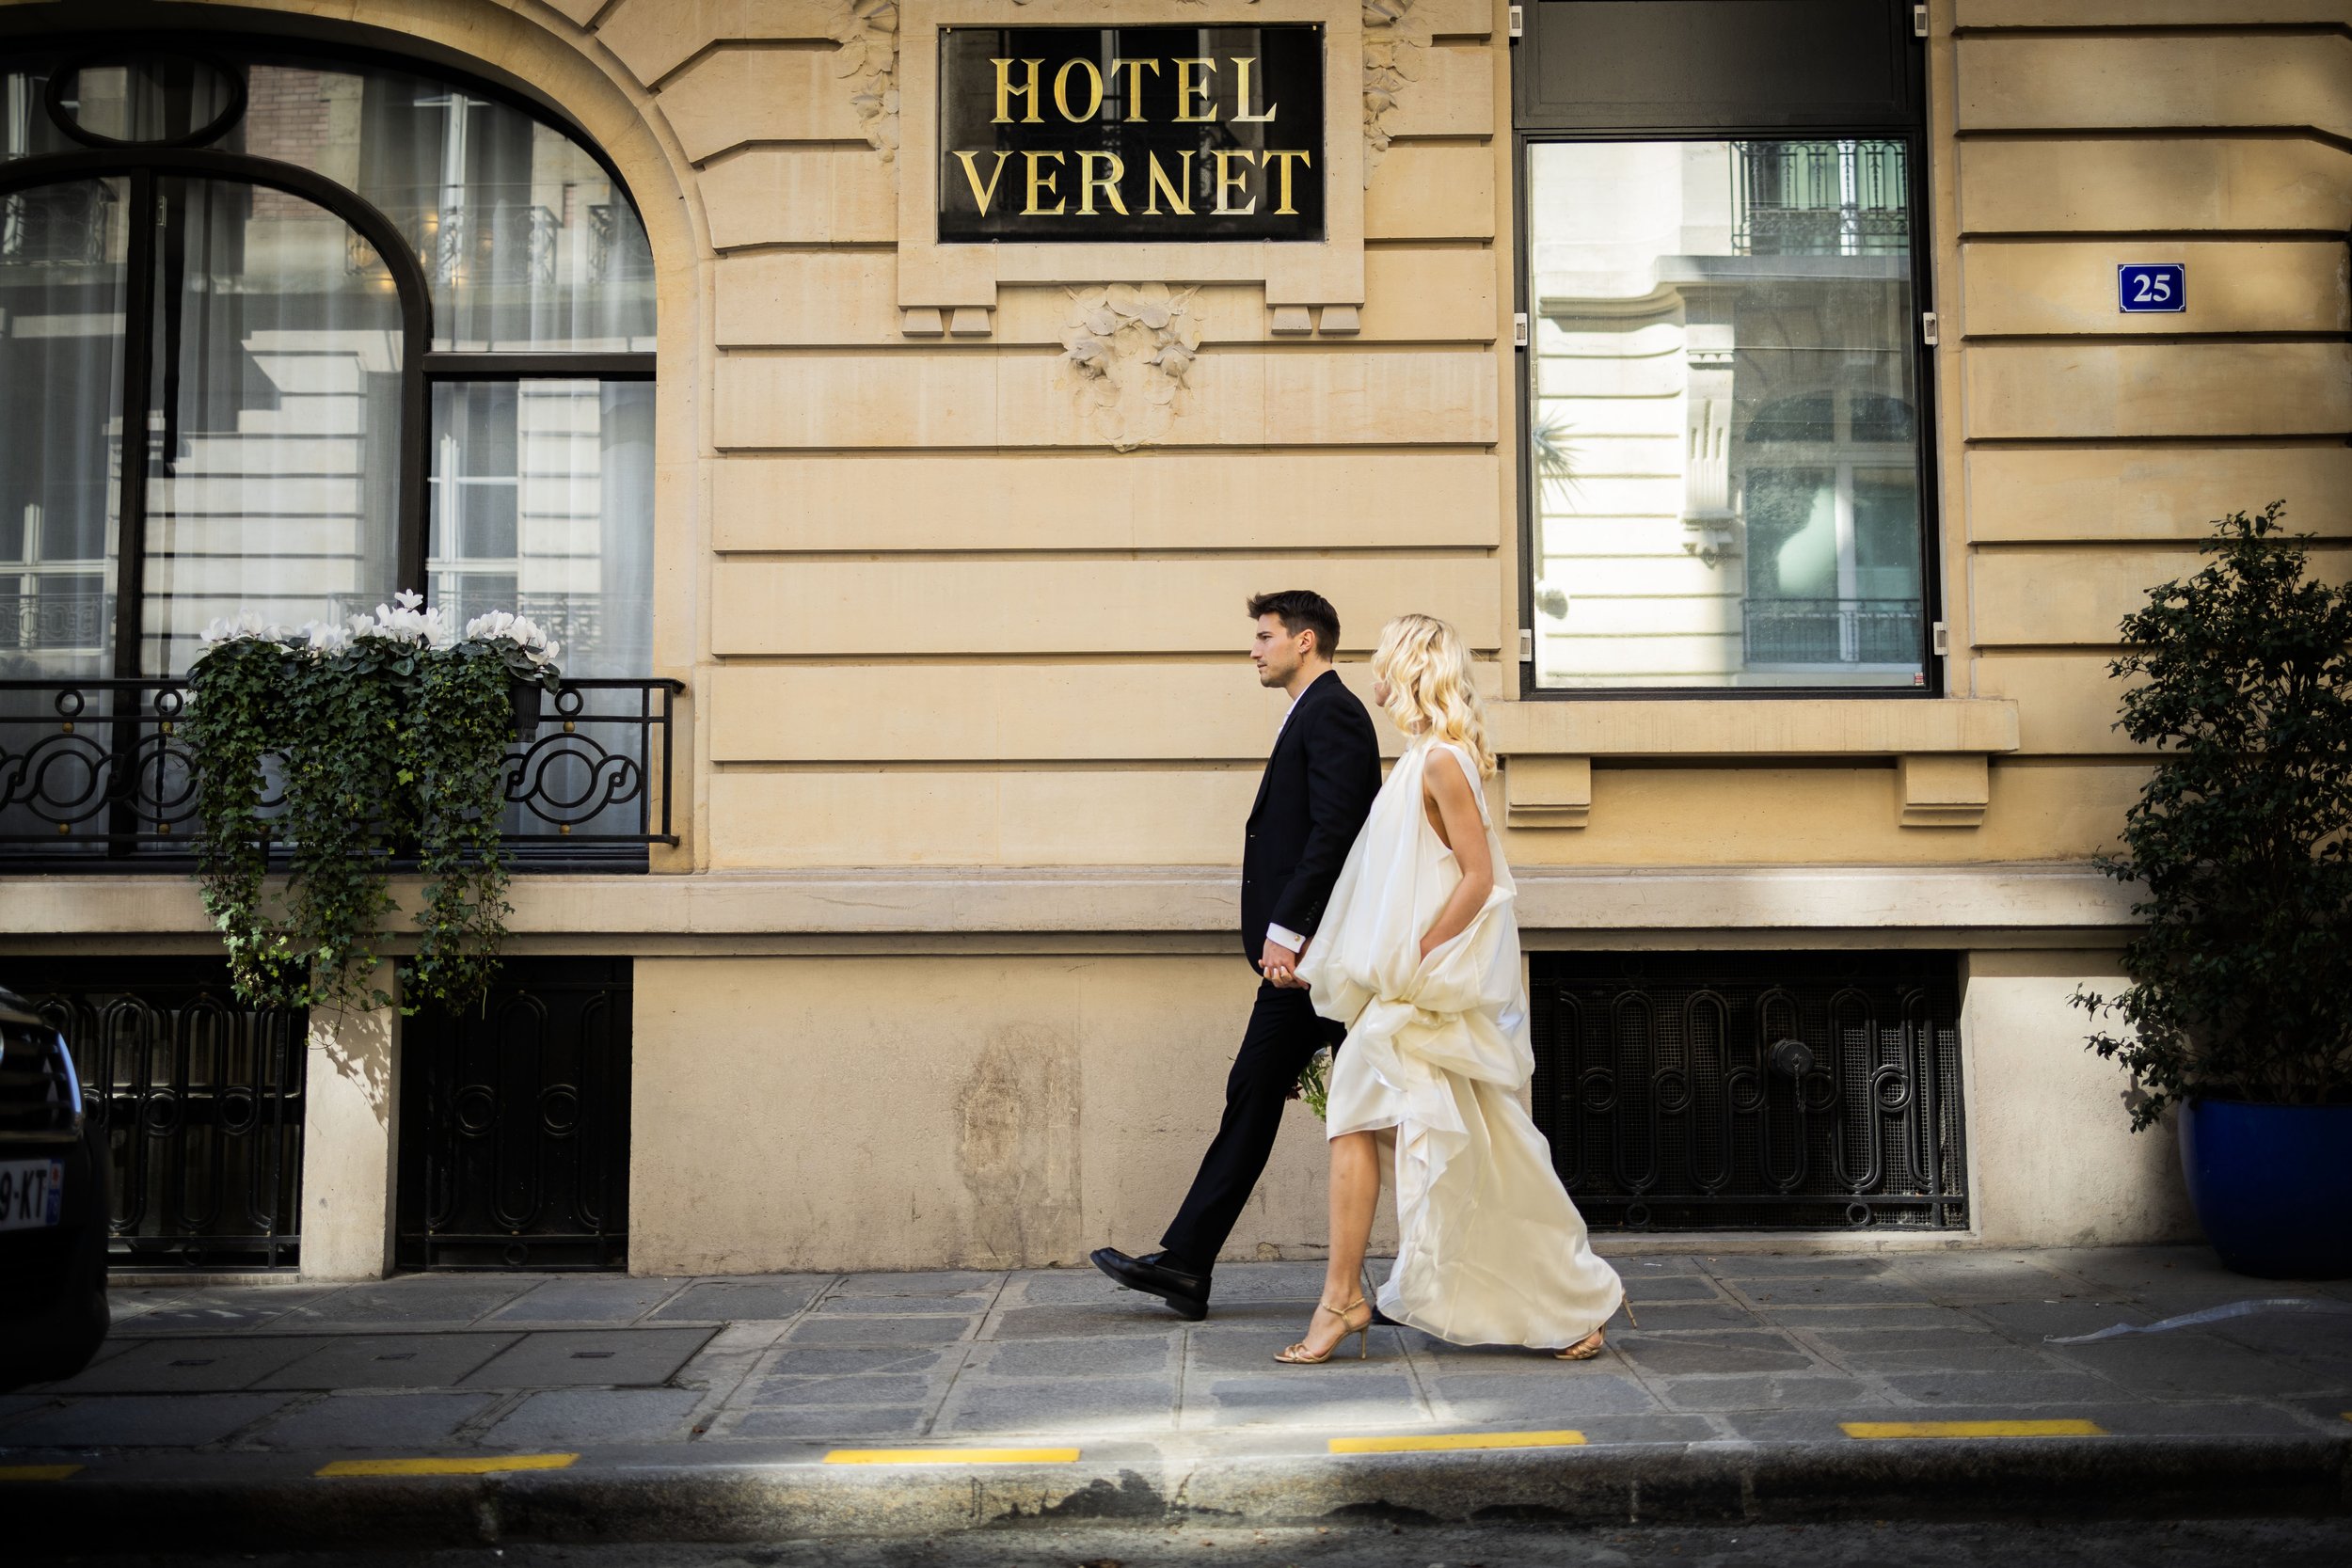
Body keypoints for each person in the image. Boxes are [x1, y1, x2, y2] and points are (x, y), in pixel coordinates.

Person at [1279, 613, 1625, 1364]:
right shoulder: (1422, 758)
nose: (1371, 673)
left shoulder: (1441, 762)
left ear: (1407, 667)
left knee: (1473, 1144)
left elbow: (1480, 877)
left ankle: (1557, 1300)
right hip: (1405, 992)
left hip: (1420, 994)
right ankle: (1350, 1296)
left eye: (1382, 659)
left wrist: (1425, 954)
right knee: (1461, 1141)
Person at [1090, 590, 1382, 1321]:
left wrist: (1289, 929)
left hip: (1314, 955)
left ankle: (1461, 1265)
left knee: (1391, 1106)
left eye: (1264, 635)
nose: (1253, 648)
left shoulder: (1334, 712)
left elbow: (1337, 831)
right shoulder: (1309, 713)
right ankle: (1187, 1262)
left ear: (1304, 641)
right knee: (1258, 1092)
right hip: (1308, 955)